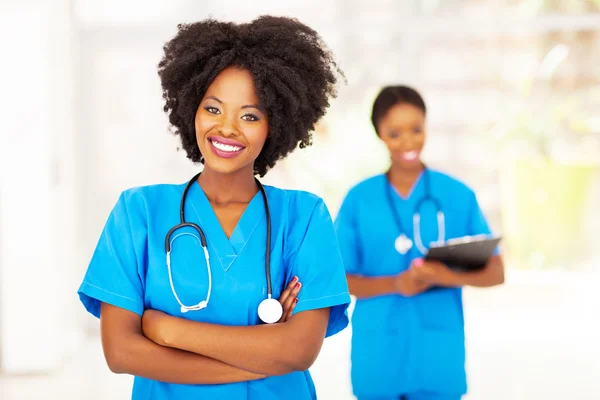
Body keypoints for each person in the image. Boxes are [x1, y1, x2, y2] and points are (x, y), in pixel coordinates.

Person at [77, 16, 351, 400]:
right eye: (213, 108)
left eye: (250, 115)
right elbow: (121, 352)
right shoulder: (138, 211)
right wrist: (262, 354)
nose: (227, 128)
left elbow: (300, 350)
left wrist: (168, 331)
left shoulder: (304, 217)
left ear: (276, 124)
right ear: (191, 108)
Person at [334, 85, 505, 400]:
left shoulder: (458, 194)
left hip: (438, 354)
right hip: (379, 354)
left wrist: (447, 277)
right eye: (395, 132)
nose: (408, 142)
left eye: (416, 129)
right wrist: (397, 283)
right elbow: (339, 280)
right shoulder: (359, 199)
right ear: (379, 134)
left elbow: (496, 271)